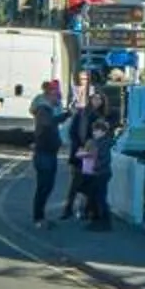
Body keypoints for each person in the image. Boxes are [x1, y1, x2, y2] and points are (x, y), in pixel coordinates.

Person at [60, 79, 101, 220]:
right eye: (95, 98)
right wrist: (81, 147)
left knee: (87, 184)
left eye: (99, 99)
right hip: (82, 155)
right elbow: (72, 133)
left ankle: (84, 210)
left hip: (87, 155)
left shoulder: (96, 115)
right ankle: (70, 209)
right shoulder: (83, 115)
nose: (97, 101)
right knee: (77, 183)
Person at [27, 80, 65, 227]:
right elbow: (47, 124)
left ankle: (40, 217)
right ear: (50, 95)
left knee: (47, 186)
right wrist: (65, 116)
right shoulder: (43, 109)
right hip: (44, 154)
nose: (59, 100)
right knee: (44, 186)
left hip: (49, 152)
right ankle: (38, 218)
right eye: (57, 96)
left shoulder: (46, 109)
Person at [82, 117, 117, 232]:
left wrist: (94, 166)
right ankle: (97, 220)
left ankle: (104, 222)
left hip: (101, 173)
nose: (94, 133)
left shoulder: (103, 143)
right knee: (97, 197)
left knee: (100, 198)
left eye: (96, 131)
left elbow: (104, 159)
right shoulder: (101, 142)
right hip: (100, 172)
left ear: (102, 131)